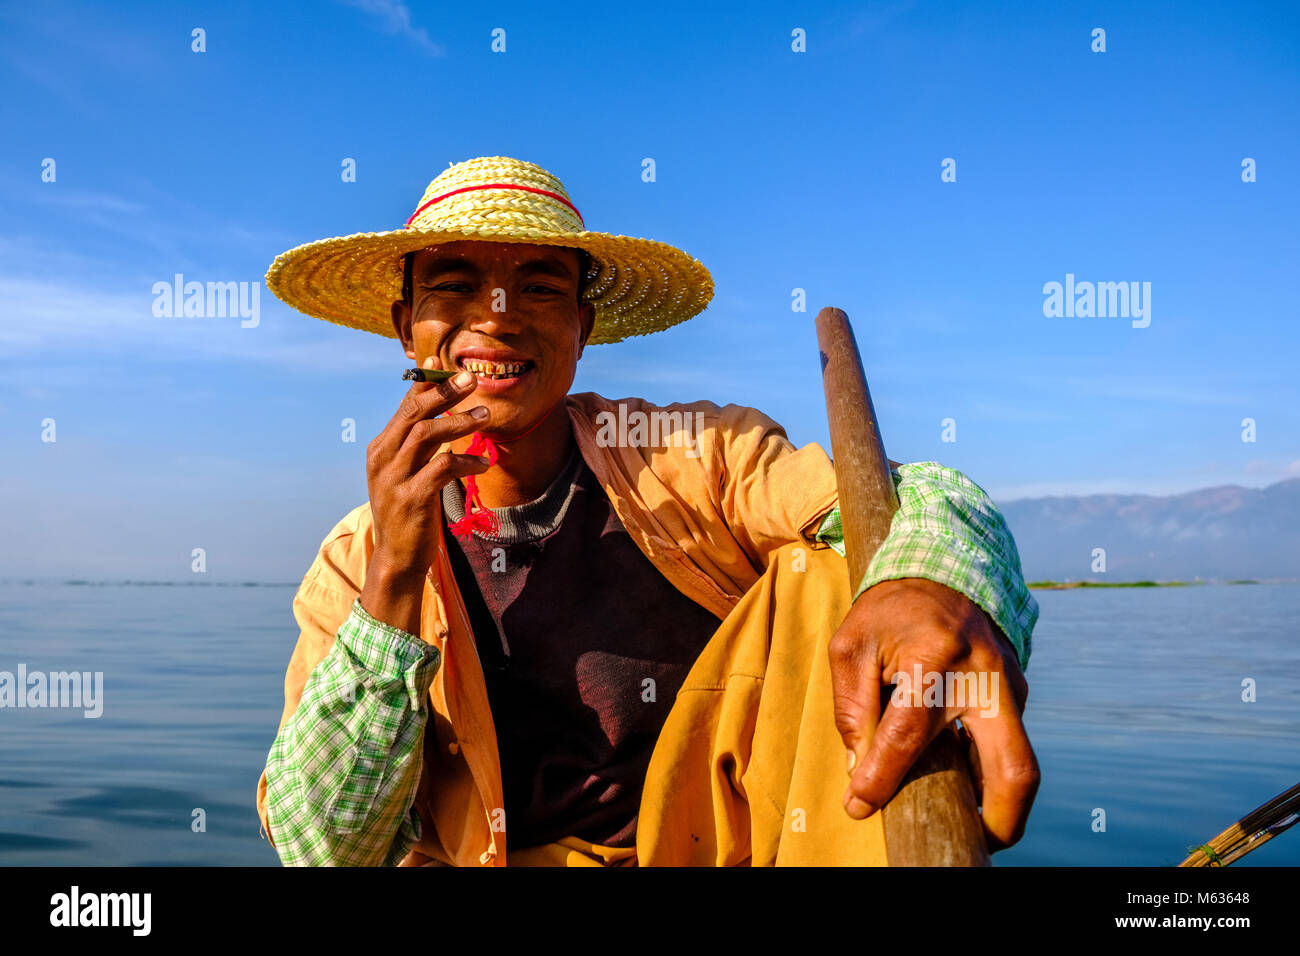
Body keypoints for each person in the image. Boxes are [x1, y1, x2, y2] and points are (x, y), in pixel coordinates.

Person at [256, 156, 1040, 866]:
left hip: (712, 850)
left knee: (838, 577)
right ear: (408, 328)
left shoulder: (688, 454)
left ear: (582, 329)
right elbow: (323, 850)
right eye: (455, 286)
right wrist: (396, 572)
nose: (496, 318)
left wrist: (928, 586)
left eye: (539, 287)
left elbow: (923, 500)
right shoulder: (352, 561)